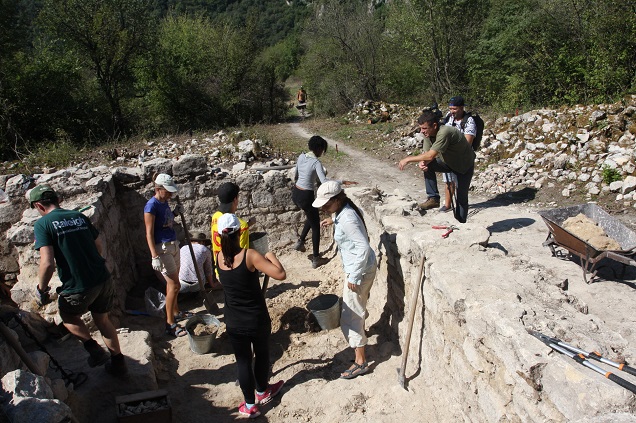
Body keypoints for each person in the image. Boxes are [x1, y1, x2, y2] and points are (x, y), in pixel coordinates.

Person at [30, 184, 127, 375]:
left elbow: (47, 263)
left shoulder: (43, 224)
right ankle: (119, 364)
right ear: (58, 200)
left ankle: (94, 349)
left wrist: (41, 289)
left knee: (68, 315)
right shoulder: (78, 216)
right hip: (102, 277)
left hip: (78, 284)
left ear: (39, 206)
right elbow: (98, 244)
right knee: (103, 320)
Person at [215, 213, 286, 418]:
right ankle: (263, 391)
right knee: (262, 354)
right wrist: (271, 256)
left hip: (234, 321)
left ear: (220, 237)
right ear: (240, 232)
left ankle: (249, 405)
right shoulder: (251, 255)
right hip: (256, 318)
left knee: (243, 361)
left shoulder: (219, 257)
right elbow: (280, 274)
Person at [312, 181, 376, 380]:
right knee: (356, 310)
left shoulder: (346, 217)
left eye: (326, 205)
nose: (323, 208)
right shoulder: (343, 212)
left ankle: (360, 362)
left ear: (338, 199)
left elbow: (363, 247)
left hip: (359, 272)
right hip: (362, 267)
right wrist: (334, 220)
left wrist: (355, 275)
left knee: (350, 316)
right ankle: (361, 350)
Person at [398, 110, 476, 223]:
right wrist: (423, 163)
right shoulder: (428, 134)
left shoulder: (445, 132)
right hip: (448, 163)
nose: (422, 131)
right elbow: (427, 154)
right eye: (421, 128)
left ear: (434, 125)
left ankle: (461, 223)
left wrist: (409, 159)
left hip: (464, 165)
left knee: (461, 198)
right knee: (428, 166)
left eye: (424, 128)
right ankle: (433, 198)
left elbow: (430, 156)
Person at [292, 135, 356, 269]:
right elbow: (324, 181)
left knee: (312, 215)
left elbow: (296, 175)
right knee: (316, 227)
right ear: (319, 148)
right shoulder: (316, 163)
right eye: (323, 150)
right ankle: (316, 258)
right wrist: (342, 182)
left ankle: (300, 241)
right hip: (306, 195)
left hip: (296, 192)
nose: (322, 153)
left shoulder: (301, 156)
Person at [143, 173, 191, 337]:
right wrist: (154, 256)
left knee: (174, 284)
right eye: (168, 191)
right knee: (174, 286)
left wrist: (176, 213)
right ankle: (170, 323)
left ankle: (176, 312)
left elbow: (165, 223)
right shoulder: (151, 206)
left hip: (173, 244)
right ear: (158, 189)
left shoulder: (164, 203)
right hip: (162, 248)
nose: (171, 194)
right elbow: (149, 233)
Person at [439, 96, 477, 213]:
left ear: (461, 107)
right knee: (448, 180)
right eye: (450, 108)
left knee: (460, 184)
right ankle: (448, 204)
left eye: (454, 109)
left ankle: (461, 209)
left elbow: (467, 143)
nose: (452, 111)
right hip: (449, 155)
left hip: (462, 158)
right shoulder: (449, 118)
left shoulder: (469, 121)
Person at [210, 182, 254, 274]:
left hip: (220, 269)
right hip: (236, 272)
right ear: (235, 199)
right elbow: (242, 254)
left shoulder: (215, 217)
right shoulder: (242, 225)